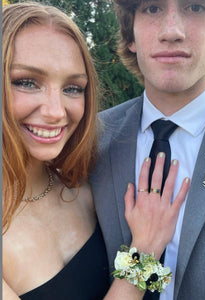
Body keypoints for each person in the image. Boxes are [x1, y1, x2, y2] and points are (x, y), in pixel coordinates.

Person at [2, 2, 190, 300]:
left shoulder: (86, 188)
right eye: (26, 82)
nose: (55, 112)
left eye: (73, 88)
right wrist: (146, 249)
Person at [90, 0, 205, 299]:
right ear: (130, 36)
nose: (172, 31)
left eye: (195, 7)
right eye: (152, 8)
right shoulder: (89, 142)